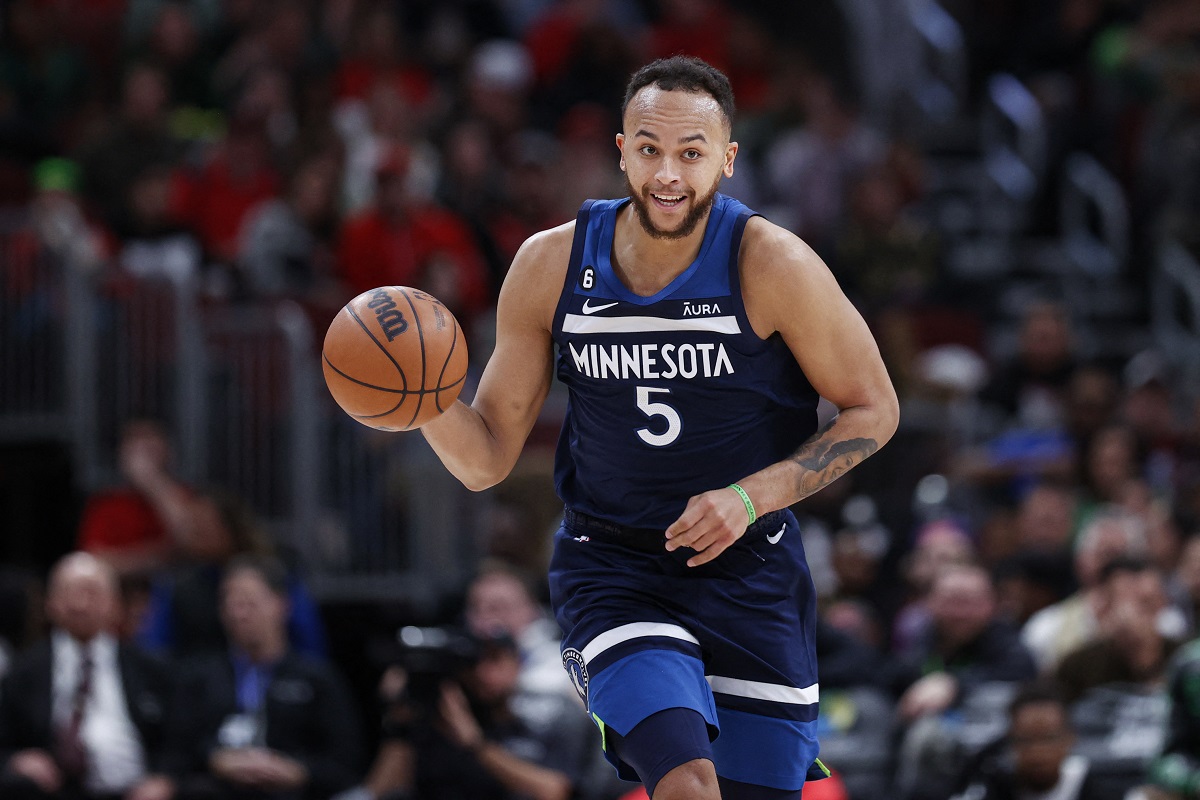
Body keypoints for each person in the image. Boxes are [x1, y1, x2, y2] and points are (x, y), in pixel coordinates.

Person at [418, 56, 899, 799]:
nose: (668, 174)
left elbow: (875, 409)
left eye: (691, 153)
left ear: (727, 160)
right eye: (649, 149)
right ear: (622, 151)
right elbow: (484, 459)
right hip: (612, 568)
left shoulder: (772, 263)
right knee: (685, 784)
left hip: (748, 571)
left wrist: (749, 497)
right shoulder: (550, 265)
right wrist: (421, 402)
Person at [159, 555, 362, 800]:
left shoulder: (316, 678)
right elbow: (175, 753)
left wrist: (299, 771)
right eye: (231, 603)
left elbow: (346, 761)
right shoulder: (197, 677)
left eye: (250, 603)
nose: (239, 614)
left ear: (281, 605)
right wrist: (215, 759)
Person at [0, 553, 175, 800]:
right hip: (53, 792)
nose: (80, 604)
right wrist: (17, 759)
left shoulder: (151, 669)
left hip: (134, 791)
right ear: (50, 603)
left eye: (92, 593)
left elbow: (180, 740)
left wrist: (164, 778)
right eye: (69, 592)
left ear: (115, 604)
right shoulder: (23, 672)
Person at [949, 681, 1104, 800]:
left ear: (1070, 738)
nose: (1038, 752)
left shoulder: (1096, 785)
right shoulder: (993, 784)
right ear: (1010, 741)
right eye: (1026, 740)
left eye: (1049, 739)